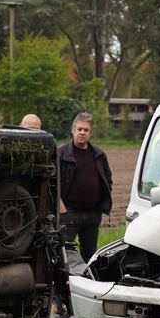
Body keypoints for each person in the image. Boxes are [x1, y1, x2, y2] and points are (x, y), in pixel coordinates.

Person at [57, 111, 113, 262]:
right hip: (69, 213)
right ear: (73, 130)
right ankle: (66, 284)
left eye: (86, 130)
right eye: (79, 129)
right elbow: (52, 183)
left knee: (90, 255)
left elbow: (108, 180)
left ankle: (87, 283)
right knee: (64, 255)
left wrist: (100, 205)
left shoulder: (99, 155)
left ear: (91, 133)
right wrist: (62, 208)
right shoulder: (61, 154)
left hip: (92, 215)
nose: (82, 132)